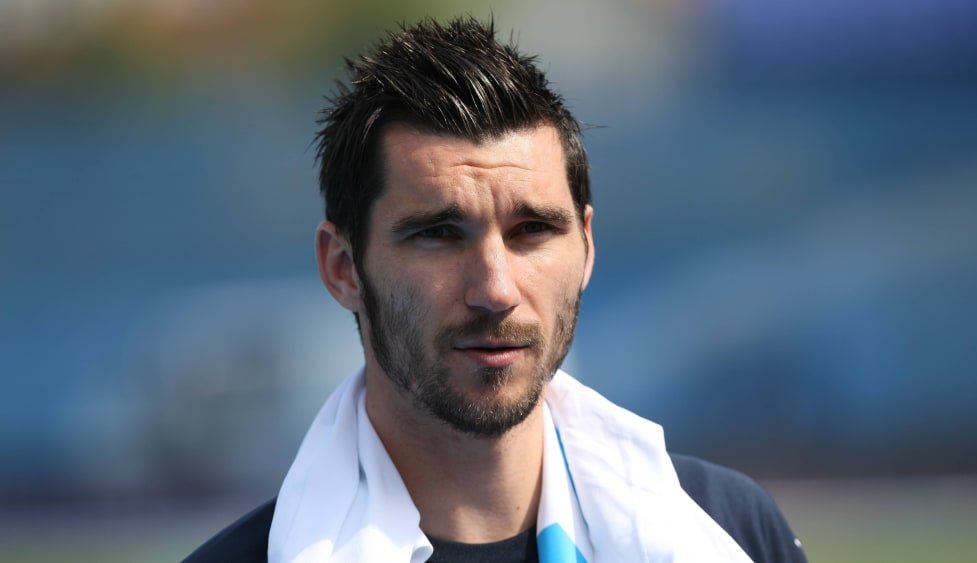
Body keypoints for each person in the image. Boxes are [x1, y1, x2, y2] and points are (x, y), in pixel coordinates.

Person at [185, 16, 808, 563]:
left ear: (587, 249)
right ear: (344, 268)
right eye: (438, 234)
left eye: (532, 230)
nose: (495, 290)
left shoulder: (725, 529)